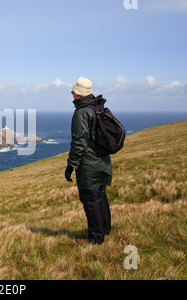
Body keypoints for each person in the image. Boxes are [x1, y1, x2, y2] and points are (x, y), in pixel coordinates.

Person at [65, 77, 112, 245]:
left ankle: (95, 239)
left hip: (89, 164)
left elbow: (80, 142)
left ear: (78, 94)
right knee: (100, 196)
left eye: (73, 92)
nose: (71, 94)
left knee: (91, 200)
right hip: (102, 160)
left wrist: (71, 165)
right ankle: (105, 230)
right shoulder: (97, 106)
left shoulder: (81, 112)